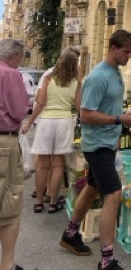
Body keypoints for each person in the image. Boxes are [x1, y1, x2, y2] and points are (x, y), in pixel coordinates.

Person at [59, 29, 131, 270]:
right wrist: (119, 120)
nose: (129, 56)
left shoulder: (115, 72)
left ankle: (70, 233)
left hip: (107, 141)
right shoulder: (98, 76)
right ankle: (106, 260)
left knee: (92, 188)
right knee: (114, 194)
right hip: (97, 145)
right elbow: (85, 115)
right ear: (113, 48)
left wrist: (124, 117)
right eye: (126, 51)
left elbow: (109, 106)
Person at [22, 47, 81, 213]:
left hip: (46, 122)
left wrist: (28, 122)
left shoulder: (48, 79)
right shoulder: (76, 82)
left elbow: (40, 103)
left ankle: (39, 201)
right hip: (64, 122)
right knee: (57, 165)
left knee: (42, 165)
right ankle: (53, 201)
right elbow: (79, 106)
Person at [0, 38, 33, 270]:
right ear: (14, 56)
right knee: (10, 202)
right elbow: (19, 109)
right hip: (4, 143)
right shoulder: (10, 75)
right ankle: (8, 264)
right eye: (21, 58)